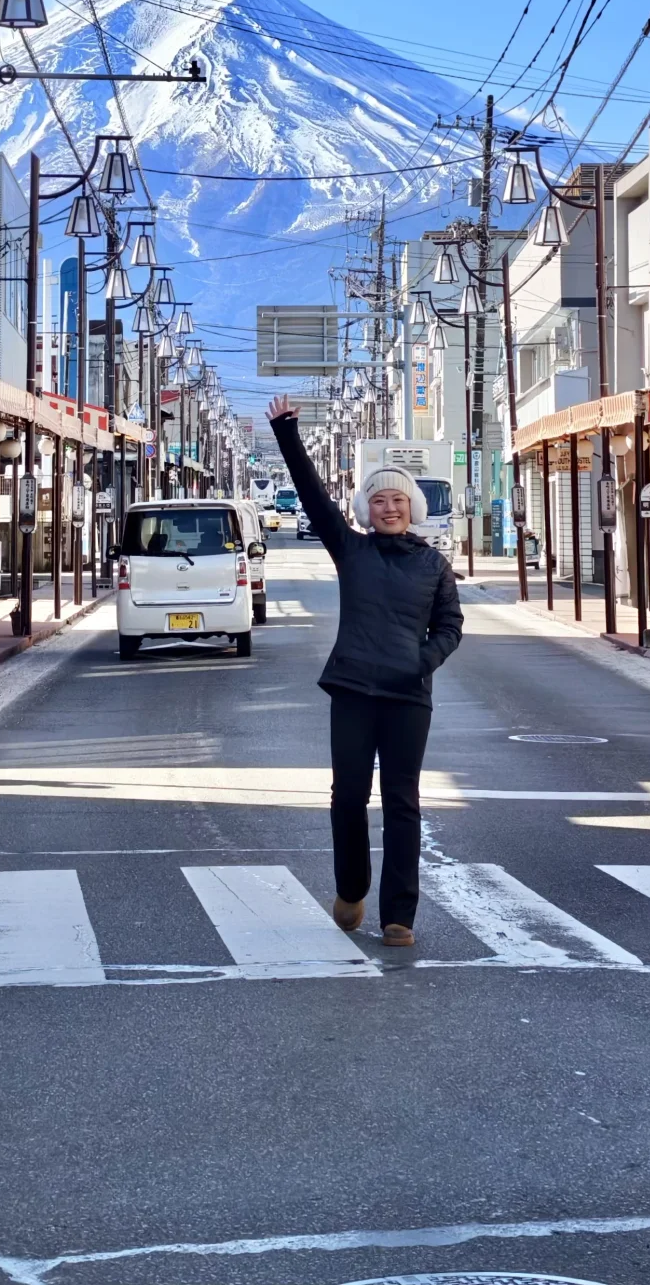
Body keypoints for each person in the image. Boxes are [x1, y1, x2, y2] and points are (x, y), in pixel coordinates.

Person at [266, 393, 463, 946]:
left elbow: (450, 626)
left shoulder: (434, 564)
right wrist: (287, 432)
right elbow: (311, 495)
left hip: (408, 698)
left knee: (403, 802)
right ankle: (351, 888)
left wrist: (421, 662)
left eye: (398, 499)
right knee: (348, 796)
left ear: (413, 507)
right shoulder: (351, 551)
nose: (389, 507)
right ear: (366, 509)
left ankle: (399, 916)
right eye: (379, 500)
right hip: (353, 689)